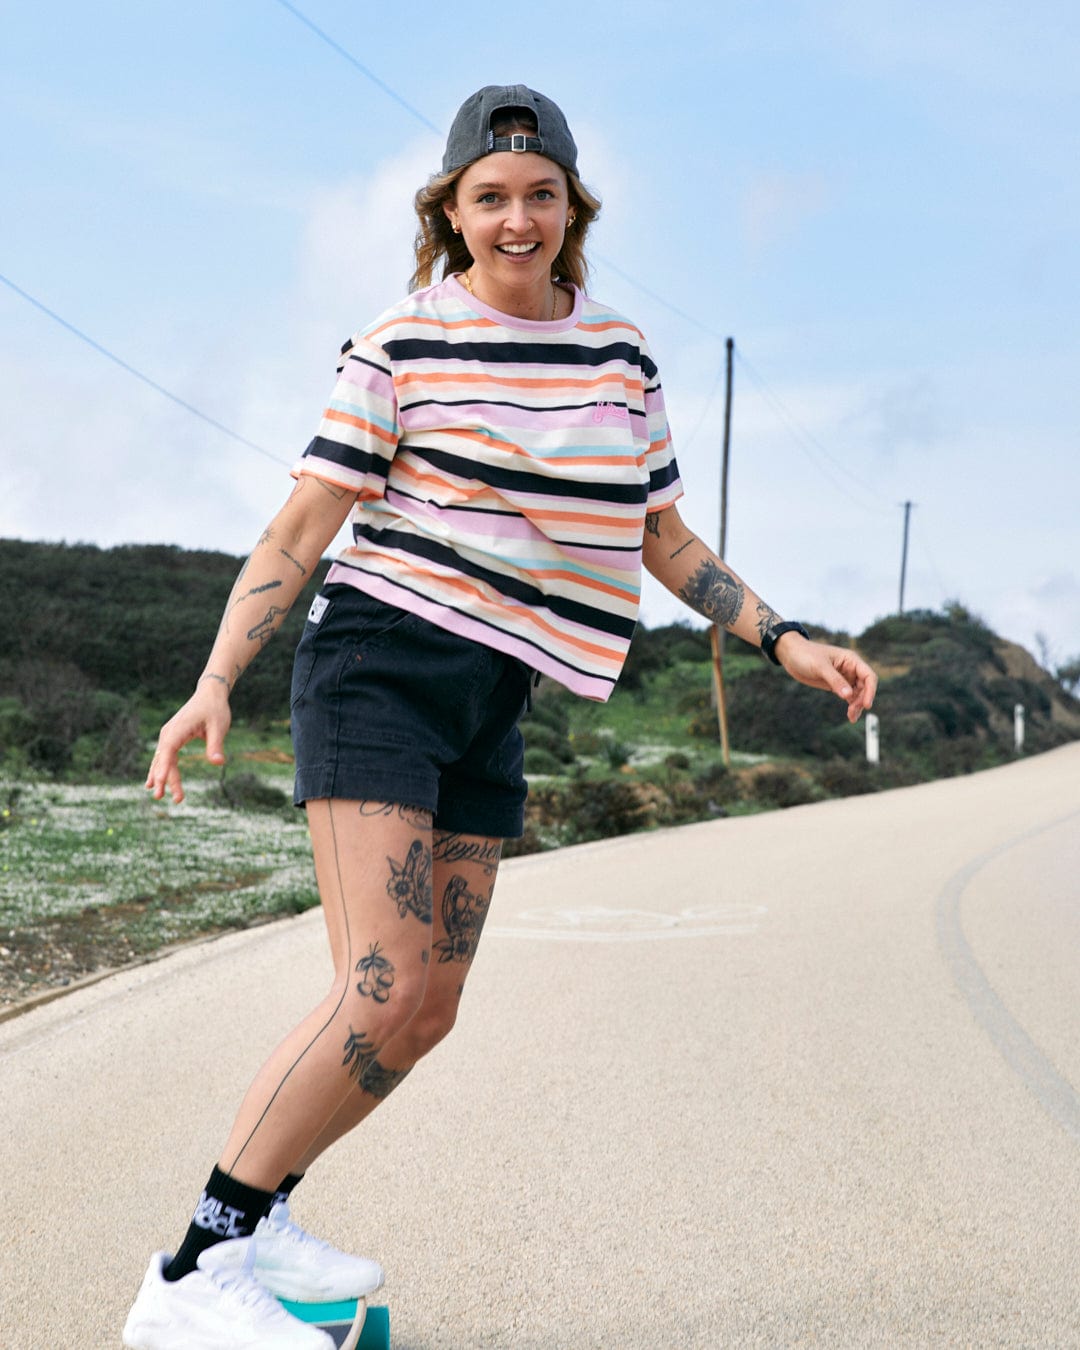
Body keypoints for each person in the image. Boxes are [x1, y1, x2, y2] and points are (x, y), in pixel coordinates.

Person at [123, 84, 877, 1348]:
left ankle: (261, 1221)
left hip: (497, 695)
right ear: (453, 210)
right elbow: (303, 524)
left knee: (427, 1010)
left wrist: (783, 639)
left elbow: (663, 537)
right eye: (491, 196)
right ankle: (196, 1269)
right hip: (380, 666)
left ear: (571, 208)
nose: (517, 218)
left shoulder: (621, 356)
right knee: (379, 985)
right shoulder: (402, 340)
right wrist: (213, 680)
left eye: (540, 195)